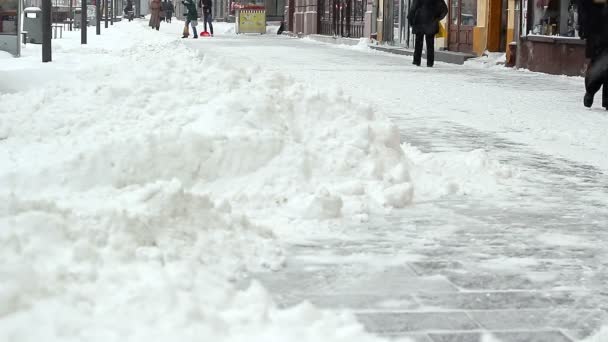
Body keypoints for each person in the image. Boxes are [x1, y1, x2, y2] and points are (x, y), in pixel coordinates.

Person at [577, 0, 608, 109]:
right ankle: (590, 90)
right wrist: (583, 26)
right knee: (597, 63)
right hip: (596, 30)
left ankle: (606, 99)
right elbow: (582, 6)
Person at [407, 0, 448, 67]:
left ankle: (416, 61)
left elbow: (413, 9)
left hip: (419, 22)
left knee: (418, 43)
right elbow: (445, 10)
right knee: (430, 44)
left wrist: (411, 21)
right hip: (431, 23)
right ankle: (430, 63)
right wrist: (437, 19)